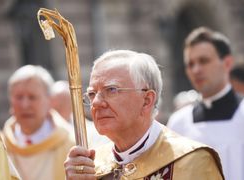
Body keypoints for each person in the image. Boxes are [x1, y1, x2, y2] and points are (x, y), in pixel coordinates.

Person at [64, 50, 224, 179]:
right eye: (92, 94)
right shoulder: (91, 164)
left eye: (111, 90)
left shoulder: (192, 162)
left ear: (147, 100)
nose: (96, 103)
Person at [167, 27, 244, 180]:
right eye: (190, 64)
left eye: (204, 61)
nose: (196, 69)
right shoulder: (178, 123)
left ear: (227, 63)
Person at [2, 65, 75, 180]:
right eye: (19, 97)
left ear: (49, 101)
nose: (24, 105)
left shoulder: (70, 143)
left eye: (32, 97)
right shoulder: (0, 145)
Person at [51, 80, 109, 148]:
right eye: (56, 100)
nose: (58, 104)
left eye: (63, 101)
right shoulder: (45, 129)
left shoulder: (93, 130)